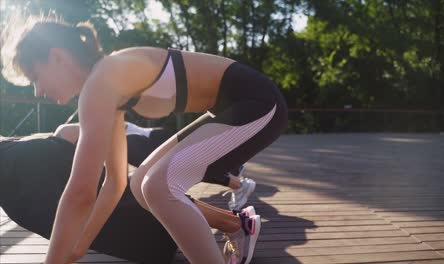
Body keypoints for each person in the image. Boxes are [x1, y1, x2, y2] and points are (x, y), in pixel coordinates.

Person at [1, 14, 287, 264]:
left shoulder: (103, 80)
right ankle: (238, 228)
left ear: (57, 57)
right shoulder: (108, 88)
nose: (37, 91)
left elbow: (80, 193)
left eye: (35, 76)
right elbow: (115, 184)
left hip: (260, 103)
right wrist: (80, 246)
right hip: (233, 108)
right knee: (141, 184)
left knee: (158, 186)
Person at [0, 134, 257, 263]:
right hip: (22, 161)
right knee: (121, 206)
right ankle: (233, 222)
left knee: (122, 204)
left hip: (18, 169)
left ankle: (234, 224)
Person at [55, 121, 256, 210]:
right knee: (187, 164)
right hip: (153, 137)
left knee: (179, 168)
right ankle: (235, 171)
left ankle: (238, 183)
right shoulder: (102, 131)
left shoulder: (107, 138)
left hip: (150, 141)